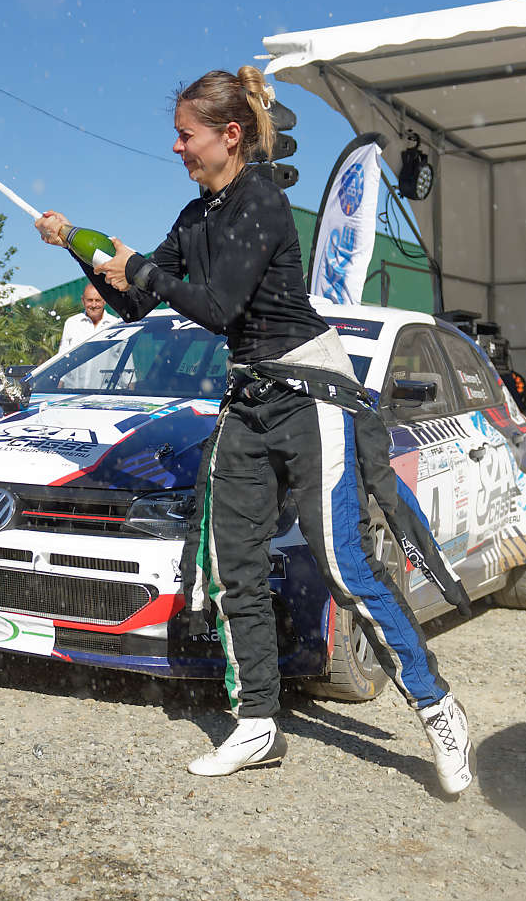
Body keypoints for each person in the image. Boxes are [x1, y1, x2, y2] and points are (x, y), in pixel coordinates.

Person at [35, 66, 474, 794]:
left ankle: (438, 706)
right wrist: (82, 251)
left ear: (229, 135)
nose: (176, 148)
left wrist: (136, 263)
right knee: (231, 562)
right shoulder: (194, 217)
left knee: (345, 566)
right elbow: (136, 305)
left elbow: (214, 304)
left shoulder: (263, 201)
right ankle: (258, 721)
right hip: (248, 396)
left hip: (311, 395)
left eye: (186, 135)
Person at [55, 283, 110, 356]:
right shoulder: (72, 323)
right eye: (90, 300)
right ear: (83, 300)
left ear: (104, 301)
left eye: (97, 300)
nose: (93, 305)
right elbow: (63, 355)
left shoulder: (115, 324)